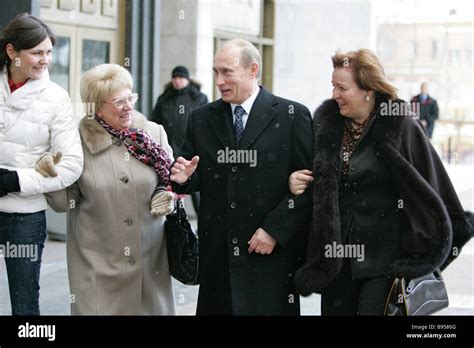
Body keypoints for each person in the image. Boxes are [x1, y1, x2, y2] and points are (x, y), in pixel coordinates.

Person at [290, 49, 473, 315]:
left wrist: (426, 253)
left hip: (384, 262)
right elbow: (311, 175)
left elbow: (434, 185)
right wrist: (295, 179)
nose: (334, 95)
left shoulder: (401, 125)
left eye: (342, 88)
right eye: (332, 86)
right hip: (336, 260)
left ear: (368, 90)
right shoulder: (326, 125)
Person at [170, 39, 313, 315]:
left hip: (270, 259)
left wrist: (275, 229)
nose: (219, 80)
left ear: (252, 70)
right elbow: (196, 175)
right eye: (215, 72)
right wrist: (185, 178)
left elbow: (309, 187)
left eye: (227, 72)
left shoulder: (292, 115)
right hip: (219, 259)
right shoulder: (201, 118)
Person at [46, 64, 175, 315]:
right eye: (118, 102)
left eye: (130, 98)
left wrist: (171, 193)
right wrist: (50, 175)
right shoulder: (76, 143)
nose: (128, 106)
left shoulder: (153, 134)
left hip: (151, 266)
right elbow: (63, 203)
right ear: (95, 108)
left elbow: (169, 179)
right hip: (98, 269)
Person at [0, 13, 83, 315]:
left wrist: (15, 181)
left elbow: (72, 164)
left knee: (24, 304)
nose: (45, 60)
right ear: (12, 52)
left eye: (48, 52)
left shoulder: (57, 99)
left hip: (24, 215)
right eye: (36, 52)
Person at [151, 65, 208, 216]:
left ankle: (204, 222)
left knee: (196, 190)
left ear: (187, 79)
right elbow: (154, 122)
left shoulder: (199, 98)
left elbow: (207, 123)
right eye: (175, 77)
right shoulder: (164, 98)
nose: (177, 81)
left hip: (192, 150)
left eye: (180, 77)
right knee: (170, 187)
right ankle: (173, 222)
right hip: (168, 150)